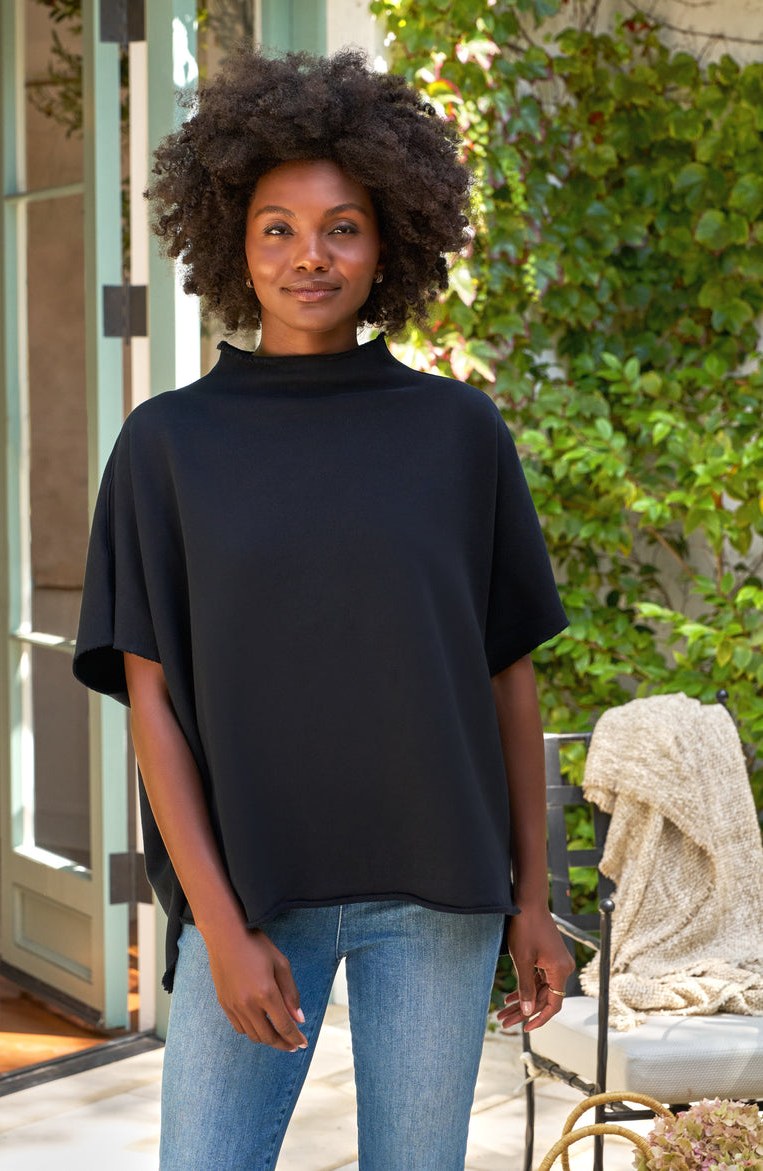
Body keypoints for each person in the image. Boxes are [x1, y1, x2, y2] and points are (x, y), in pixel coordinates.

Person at [73, 47, 574, 1171]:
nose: (312, 255)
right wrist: (217, 924)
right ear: (232, 246)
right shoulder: (167, 447)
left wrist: (533, 901)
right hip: (251, 890)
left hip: (437, 894)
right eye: (278, 228)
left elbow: (507, 675)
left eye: (342, 226)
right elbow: (150, 701)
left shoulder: (459, 436)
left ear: (388, 238)